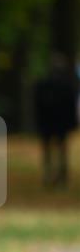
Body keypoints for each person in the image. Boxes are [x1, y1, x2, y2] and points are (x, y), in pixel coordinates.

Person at [33, 53, 78, 188]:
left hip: (50, 124)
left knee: (51, 150)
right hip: (58, 124)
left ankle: (52, 175)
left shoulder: (44, 85)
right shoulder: (65, 86)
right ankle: (59, 176)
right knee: (59, 150)